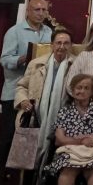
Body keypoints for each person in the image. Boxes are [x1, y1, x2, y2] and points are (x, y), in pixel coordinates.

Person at [0, 0, 52, 185]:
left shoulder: (48, 32)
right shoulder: (14, 32)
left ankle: (20, 184)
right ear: (28, 11)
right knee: (8, 137)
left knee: (30, 139)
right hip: (14, 93)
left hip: (37, 93)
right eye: (37, 9)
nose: (41, 13)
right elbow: (4, 59)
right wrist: (24, 57)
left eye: (44, 9)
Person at [14, 29, 75, 163]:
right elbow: (21, 86)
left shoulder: (76, 65)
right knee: (28, 160)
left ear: (71, 46)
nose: (62, 47)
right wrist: (23, 100)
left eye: (66, 43)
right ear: (52, 45)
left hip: (63, 120)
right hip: (34, 118)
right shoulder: (36, 64)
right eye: (58, 43)